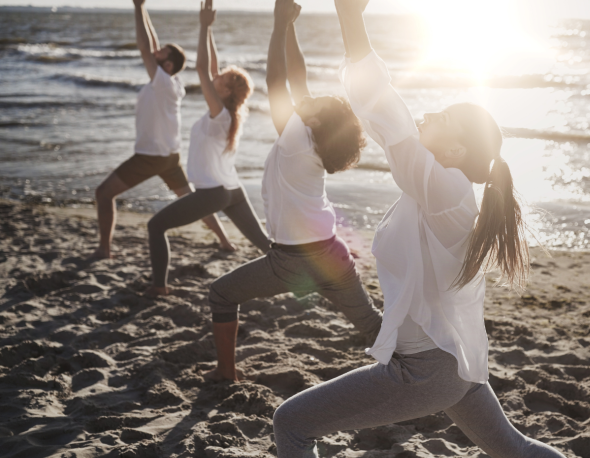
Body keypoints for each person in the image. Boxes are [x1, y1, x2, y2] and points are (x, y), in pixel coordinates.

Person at [269, 0, 590, 458]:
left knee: (291, 422)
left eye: (441, 117)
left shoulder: (448, 190)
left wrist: (352, 19)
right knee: (517, 450)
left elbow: (385, 112)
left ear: (457, 149)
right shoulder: (439, 192)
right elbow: (387, 124)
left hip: (425, 369)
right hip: (453, 362)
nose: (427, 115)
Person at [203, 0, 382, 382]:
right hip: (333, 253)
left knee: (221, 295)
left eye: (313, 102)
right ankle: (420, 367)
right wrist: (290, 27)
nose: (307, 98)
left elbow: (276, 83)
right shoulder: (313, 138)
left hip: (293, 261)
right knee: (370, 324)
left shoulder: (296, 138)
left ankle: (225, 374)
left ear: (315, 119)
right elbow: (297, 79)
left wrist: (277, 24)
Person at [88, 0, 235, 260]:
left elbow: (145, 47)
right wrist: (143, 7)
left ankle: (104, 249)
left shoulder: (163, 82)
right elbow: (152, 47)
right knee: (194, 201)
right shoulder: (170, 82)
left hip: (151, 156)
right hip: (169, 156)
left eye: (161, 54)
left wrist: (135, 8)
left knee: (103, 193)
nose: (155, 54)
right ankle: (224, 241)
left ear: (167, 65)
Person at [143, 0, 271, 297]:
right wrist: (209, 27)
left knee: (155, 227)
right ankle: (306, 274)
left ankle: (159, 287)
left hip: (213, 193)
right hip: (231, 188)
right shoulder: (228, 112)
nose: (216, 76)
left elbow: (202, 68)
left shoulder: (219, 114)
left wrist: (202, 26)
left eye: (222, 78)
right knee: (264, 243)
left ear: (224, 91)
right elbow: (211, 67)